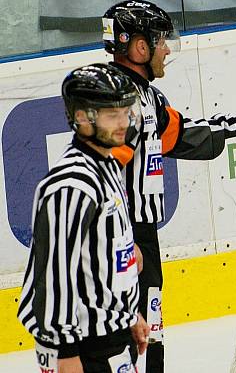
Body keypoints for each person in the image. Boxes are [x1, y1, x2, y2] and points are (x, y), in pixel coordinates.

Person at [101, 0, 236, 373]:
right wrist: (121, 243)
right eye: (160, 40)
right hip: (121, 241)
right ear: (139, 47)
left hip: (140, 238)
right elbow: (96, 177)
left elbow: (180, 134)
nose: (166, 49)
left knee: (151, 339)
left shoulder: (145, 95)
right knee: (125, 344)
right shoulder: (116, 101)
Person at [17, 63, 149, 373]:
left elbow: (108, 254)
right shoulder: (71, 185)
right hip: (82, 347)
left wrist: (129, 315)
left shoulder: (107, 164)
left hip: (110, 334)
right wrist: (64, 353)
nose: (123, 122)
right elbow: (54, 273)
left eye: (125, 111)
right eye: (111, 114)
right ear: (82, 117)